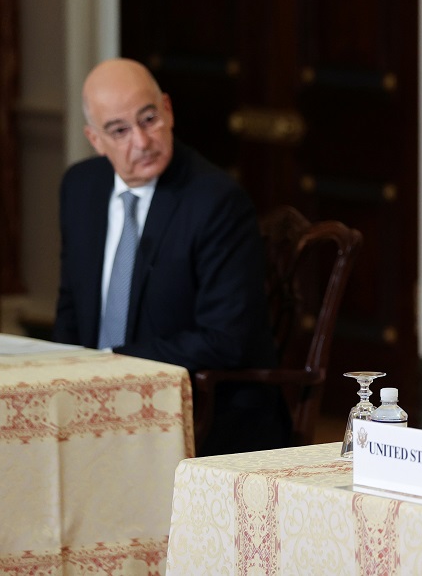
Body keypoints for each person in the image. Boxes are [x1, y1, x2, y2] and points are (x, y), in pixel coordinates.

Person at [53, 58, 288, 455]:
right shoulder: (80, 187)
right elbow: (71, 307)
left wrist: (113, 361)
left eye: (149, 119)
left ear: (168, 109)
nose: (142, 142)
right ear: (95, 139)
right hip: (94, 411)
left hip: (202, 415)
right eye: (120, 131)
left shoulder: (216, 201)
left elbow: (226, 340)